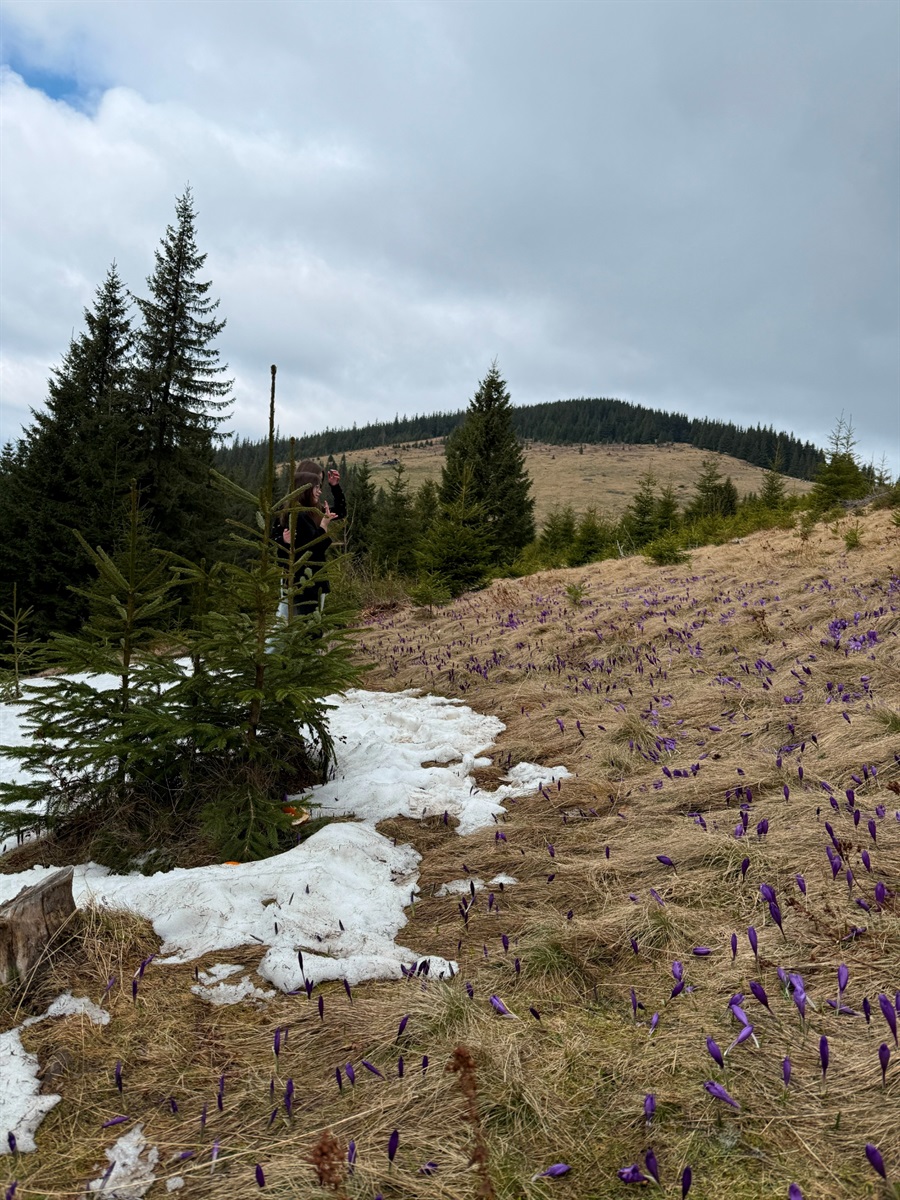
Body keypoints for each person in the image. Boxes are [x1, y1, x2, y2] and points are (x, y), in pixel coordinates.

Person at [274, 460, 346, 618]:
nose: (320, 490)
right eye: (317, 484)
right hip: (294, 574)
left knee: (313, 617)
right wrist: (283, 542)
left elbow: (340, 512)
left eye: (321, 484)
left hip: (315, 573)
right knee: (286, 618)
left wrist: (335, 487)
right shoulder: (287, 509)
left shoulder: (314, 510)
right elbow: (275, 539)